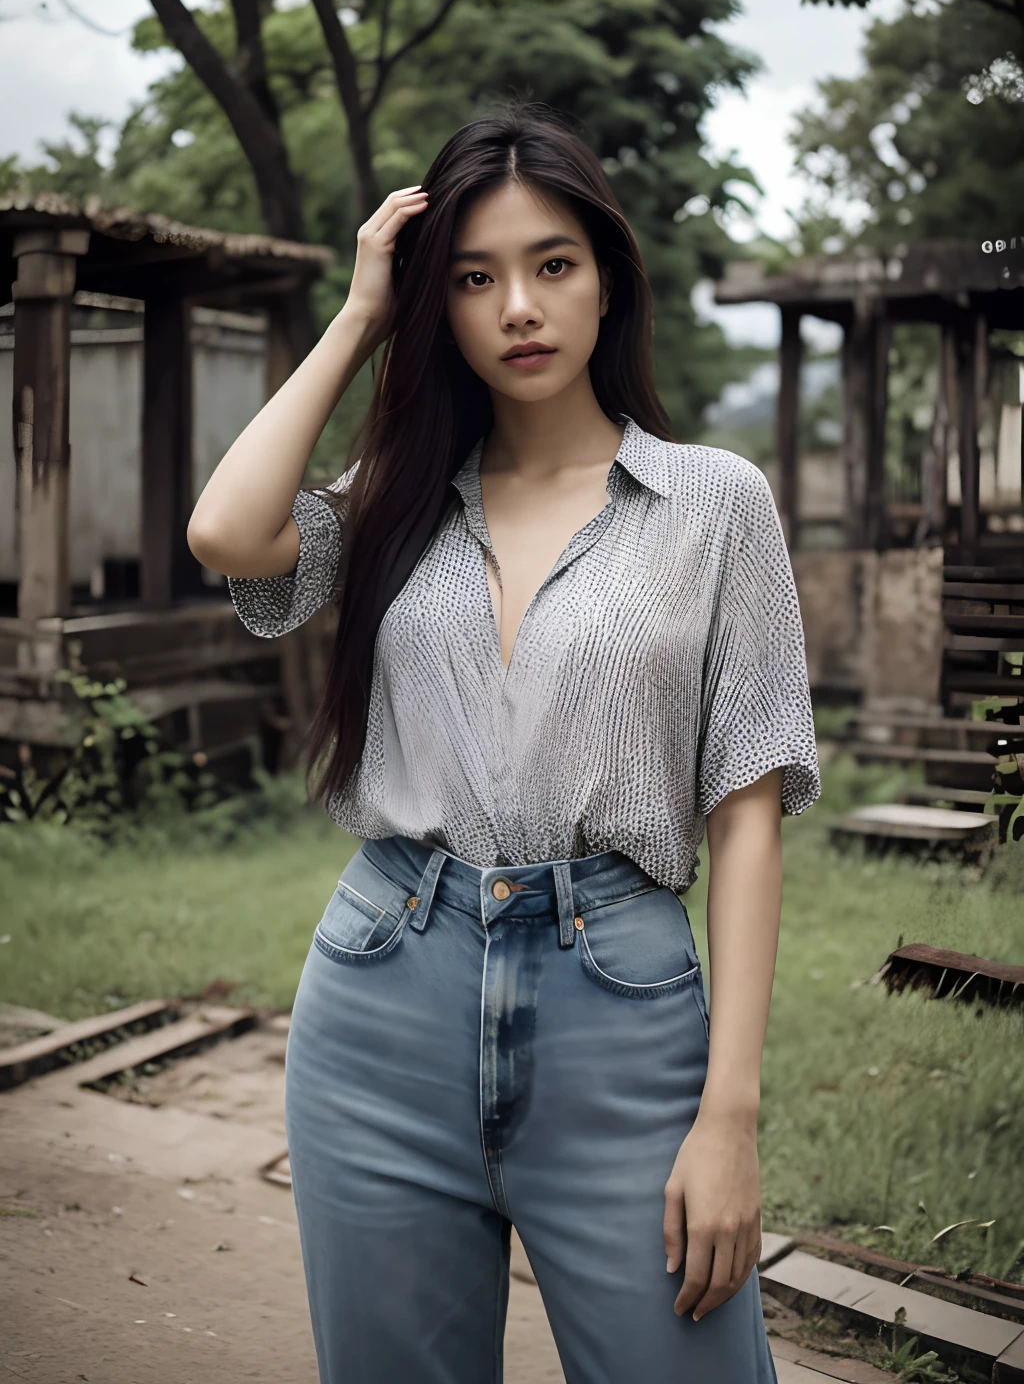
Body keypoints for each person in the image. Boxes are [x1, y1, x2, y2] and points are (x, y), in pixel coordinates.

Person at [188, 101, 821, 1384]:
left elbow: (743, 814)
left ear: (605, 283)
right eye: (474, 279)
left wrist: (730, 1119)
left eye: (551, 266)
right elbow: (226, 535)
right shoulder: (394, 505)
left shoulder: (710, 504)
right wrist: (362, 314)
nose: (518, 307)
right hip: (381, 1001)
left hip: (621, 1014)